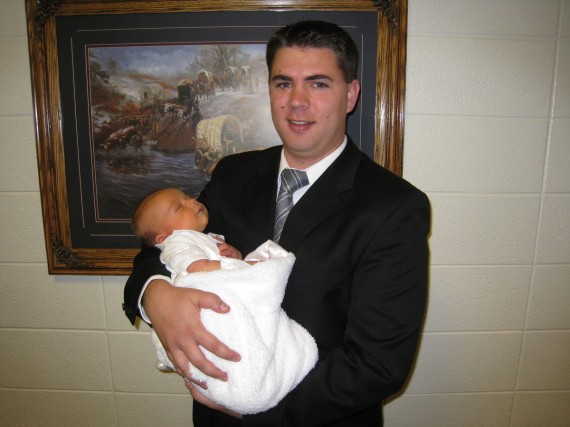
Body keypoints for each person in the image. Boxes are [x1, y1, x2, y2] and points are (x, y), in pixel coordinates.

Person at [123, 20, 430, 426]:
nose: (297, 101)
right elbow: (160, 246)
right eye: (283, 83)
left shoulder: (393, 207)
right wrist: (154, 296)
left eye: (318, 84)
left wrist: (259, 414)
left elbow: (378, 363)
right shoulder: (232, 173)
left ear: (350, 94)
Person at [131, 187, 318, 414]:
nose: (192, 202)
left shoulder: (203, 238)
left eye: (187, 197)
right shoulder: (179, 242)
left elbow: (211, 260)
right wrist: (244, 267)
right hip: (210, 303)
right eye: (180, 206)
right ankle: (248, 385)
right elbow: (199, 268)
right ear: (163, 237)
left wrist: (233, 255)